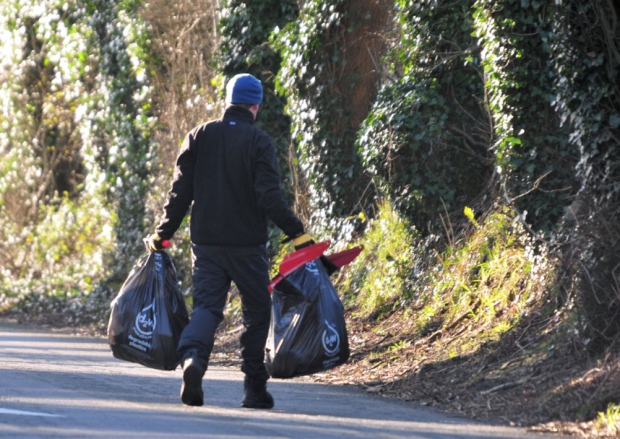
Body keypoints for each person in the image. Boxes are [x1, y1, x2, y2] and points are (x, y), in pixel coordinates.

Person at [146, 73, 312, 409]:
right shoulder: (259, 141)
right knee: (257, 310)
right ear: (256, 105)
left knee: (207, 307)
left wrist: (163, 234)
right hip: (247, 247)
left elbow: (180, 193)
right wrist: (298, 234)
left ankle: (193, 359)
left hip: (206, 244)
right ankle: (254, 389)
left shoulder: (199, 135)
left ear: (227, 101)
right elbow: (268, 197)